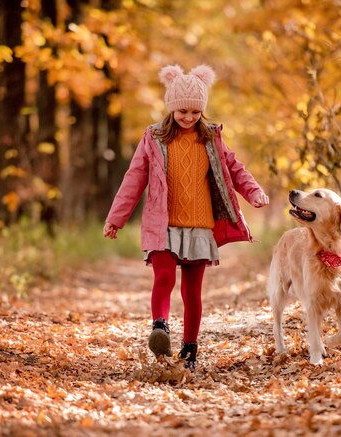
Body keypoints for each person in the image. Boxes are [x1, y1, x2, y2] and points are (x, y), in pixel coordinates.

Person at [103, 64, 269, 372]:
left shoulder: (211, 139)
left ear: (202, 111)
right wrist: (116, 218)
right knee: (164, 277)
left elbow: (235, 168)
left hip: (200, 224)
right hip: (163, 223)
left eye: (195, 112)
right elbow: (134, 178)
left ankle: (190, 350)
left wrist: (254, 192)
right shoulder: (154, 138)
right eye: (182, 112)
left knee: (192, 291)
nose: (189, 118)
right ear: (171, 107)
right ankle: (160, 328)